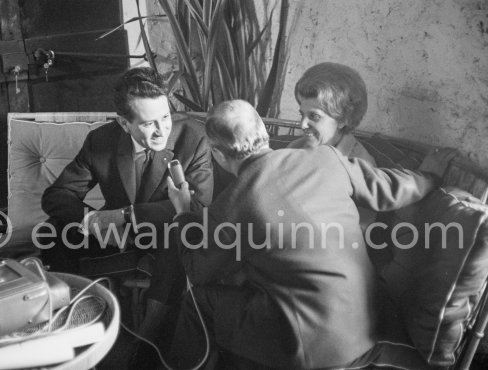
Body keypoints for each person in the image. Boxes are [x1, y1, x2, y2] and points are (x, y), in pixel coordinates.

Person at [166, 100, 452, 369]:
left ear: (217, 153)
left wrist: (183, 214)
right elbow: (389, 188)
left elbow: (198, 270)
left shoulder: (231, 205)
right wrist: (430, 176)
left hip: (310, 349)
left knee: (200, 297)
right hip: (367, 322)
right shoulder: (325, 158)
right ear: (264, 131)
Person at [40, 67, 214, 357]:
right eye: (148, 124)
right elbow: (57, 195)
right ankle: (76, 318)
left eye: (166, 117)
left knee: (179, 232)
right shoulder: (101, 141)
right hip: (117, 237)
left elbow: (198, 206)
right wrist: (91, 220)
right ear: (124, 123)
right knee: (51, 230)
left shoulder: (194, 138)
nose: (161, 130)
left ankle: (145, 341)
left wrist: (124, 215)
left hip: (167, 236)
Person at [288, 62, 377, 232]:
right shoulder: (295, 148)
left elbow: (359, 231)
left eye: (314, 116)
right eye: (302, 114)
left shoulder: (361, 167)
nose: (303, 125)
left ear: (344, 119)